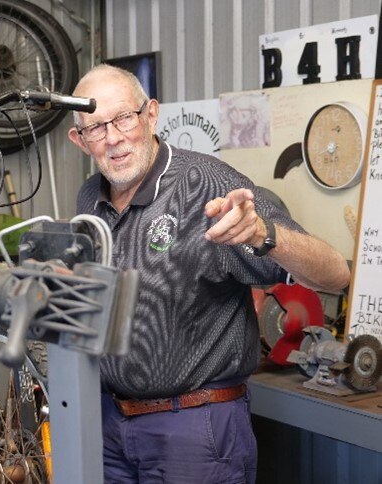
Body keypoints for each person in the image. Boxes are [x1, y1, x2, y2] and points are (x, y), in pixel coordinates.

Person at [67, 64, 350, 482]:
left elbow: (335, 274)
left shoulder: (207, 184)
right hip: (108, 425)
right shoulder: (90, 197)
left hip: (194, 431)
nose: (113, 138)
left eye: (124, 118)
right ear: (79, 139)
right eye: (96, 128)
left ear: (151, 114)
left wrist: (262, 232)